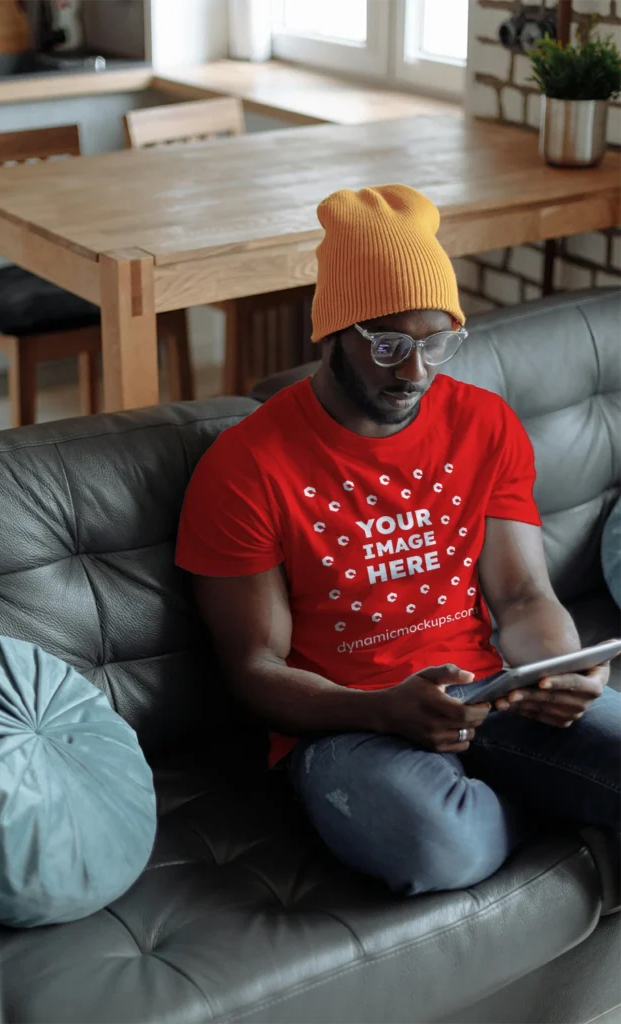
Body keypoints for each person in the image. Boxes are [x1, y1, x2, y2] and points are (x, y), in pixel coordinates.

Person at [175, 183, 621, 895]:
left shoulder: (483, 424)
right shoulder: (245, 467)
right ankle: (561, 805)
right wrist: (378, 707)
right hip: (346, 726)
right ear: (330, 334)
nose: (413, 371)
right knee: (438, 848)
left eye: (436, 342)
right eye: (387, 345)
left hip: (489, 697)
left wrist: (559, 670)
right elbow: (255, 669)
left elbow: (521, 593)